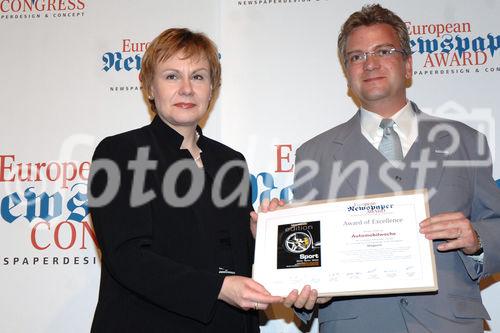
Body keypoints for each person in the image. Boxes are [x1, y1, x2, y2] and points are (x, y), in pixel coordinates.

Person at [271, 4, 500, 333]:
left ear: (407, 65)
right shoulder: (314, 155)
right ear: (347, 74)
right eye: (356, 56)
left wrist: (476, 238)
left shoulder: (466, 142)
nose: (370, 64)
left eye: (383, 51)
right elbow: (307, 262)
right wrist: (300, 288)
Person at [88, 28, 282, 333]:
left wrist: (263, 238)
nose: (187, 89)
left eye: (199, 76)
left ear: (213, 88)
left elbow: (233, 263)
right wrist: (217, 288)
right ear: (150, 88)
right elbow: (127, 256)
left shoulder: (231, 163)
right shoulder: (119, 153)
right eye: (171, 76)